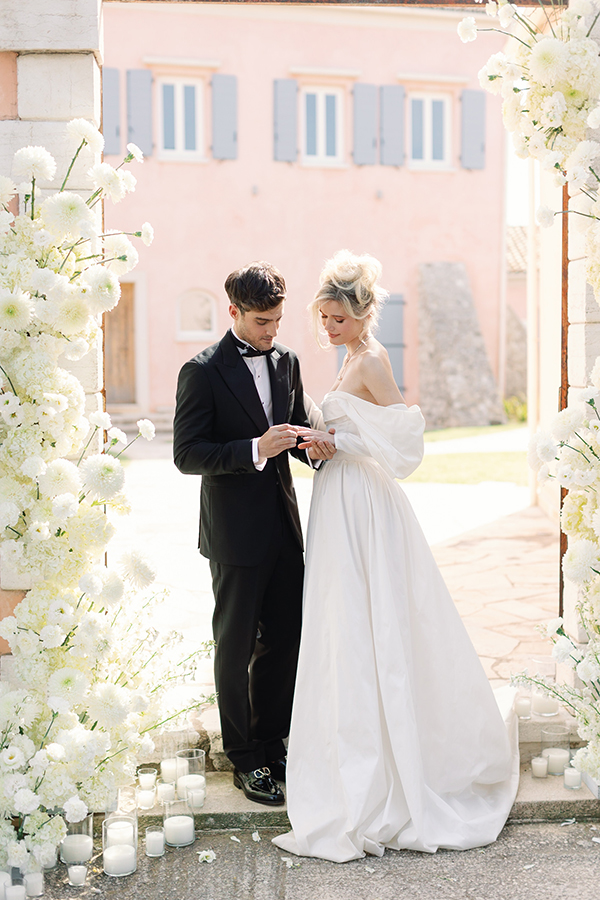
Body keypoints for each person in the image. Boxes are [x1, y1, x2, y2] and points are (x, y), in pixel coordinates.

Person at [273, 250, 519, 861]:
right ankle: (354, 751)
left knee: (371, 618)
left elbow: (403, 439)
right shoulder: (351, 358)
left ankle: (394, 771)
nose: (327, 329)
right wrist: (325, 438)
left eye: (335, 319)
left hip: (362, 500)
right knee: (343, 621)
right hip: (339, 498)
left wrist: (340, 437)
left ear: (360, 316)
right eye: (322, 319)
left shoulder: (374, 360)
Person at [173, 261, 335, 806]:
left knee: (285, 641)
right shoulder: (201, 371)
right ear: (234, 312)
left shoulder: (286, 361)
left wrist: (312, 447)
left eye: (278, 320)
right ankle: (245, 759)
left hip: (284, 529)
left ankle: (272, 742)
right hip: (234, 536)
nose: (272, 332)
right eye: (263, 321)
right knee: (235, 646)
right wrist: (252, 450)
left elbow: (292, 425)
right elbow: (186, 454)